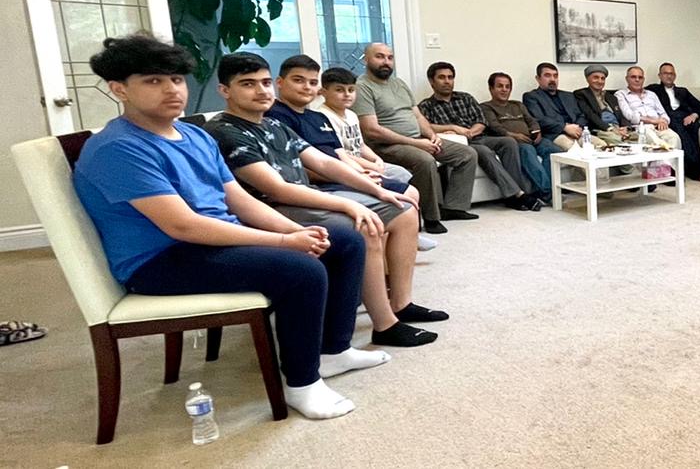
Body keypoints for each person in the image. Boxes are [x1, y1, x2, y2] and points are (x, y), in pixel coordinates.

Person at [72, 35, 375, 419]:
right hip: (160, 260)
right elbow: (184, 226)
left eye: (177, 79)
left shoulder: (195, 134)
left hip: (209, 243)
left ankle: (334, 349)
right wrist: (285, 241)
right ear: (120, 89)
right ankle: (302, 384)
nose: (172, 90)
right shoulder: (118, 148)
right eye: (153, 81)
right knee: (301, 270)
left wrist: (300, 233)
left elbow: (240, 201)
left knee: (343, 239)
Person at [202, 52, 447, 350]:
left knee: (403, 209)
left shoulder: (273, 125)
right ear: (225, 90)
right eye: (248, 84)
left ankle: (401, 303)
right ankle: (385, 325)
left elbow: (325, 162)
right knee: (363, 223)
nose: (261, 90)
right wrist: (349, 204)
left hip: (303, 200)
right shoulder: (225, 131)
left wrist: (378, 191)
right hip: (269, 210)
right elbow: (276, 189)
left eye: (265, 83)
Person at [268, 57, 436, 253]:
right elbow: (303, 167)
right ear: (279, 82)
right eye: (298, 80)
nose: (306, 87)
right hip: (323, 182)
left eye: (312, 82)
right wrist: (358, 177)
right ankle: (399, 237)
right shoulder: (276, 117)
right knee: (401, 202)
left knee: (409, 192)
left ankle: (404, 240)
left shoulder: (317, 117)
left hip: (340, 174)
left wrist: (361, 172)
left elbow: (341, 154)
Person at [354, 43, 479, 235]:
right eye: (379, 57)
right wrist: (417, 143)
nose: (386, 62)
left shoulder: (399, 84)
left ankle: (453, 207)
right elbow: (372, 130)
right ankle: (431, 217)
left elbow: (418, 116)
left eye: (389, 57)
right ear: (366, 59)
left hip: (417, 138)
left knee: (467, 154)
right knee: (425, 160)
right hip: (386, 146)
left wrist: (432, 136)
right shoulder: (362, 87)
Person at [418, 61, 539, 211]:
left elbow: (481, 121)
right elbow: (426, 127)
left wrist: (470, 132)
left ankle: (517, 192)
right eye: (442, 77)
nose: (447, 81)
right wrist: (453, 128)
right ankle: (516, 195)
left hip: (478, 136)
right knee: (483, 151)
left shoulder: (466, 98)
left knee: (508, 142)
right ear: (432, 81)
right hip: (459, 144)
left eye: (450, 77)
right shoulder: (426, 105)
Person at [480, 72, 555, 203]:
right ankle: (547, 193)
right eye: (500, 86)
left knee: (553, 150)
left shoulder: (517, 105)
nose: (504, 90)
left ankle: (550, 188)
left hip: (532, 139)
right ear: (491, 89)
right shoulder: (486, 107)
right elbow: (494, 127)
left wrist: (537, 131)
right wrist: (514, 136)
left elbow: (531, 120)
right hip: (515, 143)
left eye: (507, 86)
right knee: (528, 151)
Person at [647, 62, 700, 176]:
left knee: (696, 128)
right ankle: (694, 171)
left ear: (675, 76)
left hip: (685, 116)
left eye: (671, 73)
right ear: (660, 75)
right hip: (669, 118)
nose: (669, 76)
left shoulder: (682, 91)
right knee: (681, 132)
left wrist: (694, 115)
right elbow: (640, 96)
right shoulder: (653, 90)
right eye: (665, 73)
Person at [615, 65, 683, 149]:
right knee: (657, 142)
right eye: (633, 77)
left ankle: (670, 157)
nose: (637, 80)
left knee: (674, 138)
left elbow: (663, 114)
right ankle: (664, 155)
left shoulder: (651, 94)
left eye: (640, 77)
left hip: (658, 127)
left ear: (643, 79)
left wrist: (664, 121)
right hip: (639, 128)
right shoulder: (620, 94)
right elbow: (630, 116)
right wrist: (655, 120)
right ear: (627, 79)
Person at [523, 63, 587, 150]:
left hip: (577, 132)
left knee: (600, 145)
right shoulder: (531, 97)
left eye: (555, 76)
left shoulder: (568, 95)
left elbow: (581, 115)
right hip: (555, 135)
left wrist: (576, 127)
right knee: (573, 150)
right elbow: (539, 119)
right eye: (547, 76)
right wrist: (564, 127)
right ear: (538, 78)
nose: (552, 79)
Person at [572, 64, 633, 148]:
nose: (600, 81)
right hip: (601, 128)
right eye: (596, 77)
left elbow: (620, 116)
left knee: (640, 136)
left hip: (618, 128)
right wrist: (611, 129)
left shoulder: (611, 97)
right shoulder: (581, 94)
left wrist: (626, 128)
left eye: (602, 78)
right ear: (587, 79)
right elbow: (590, 115)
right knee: (620, 140)